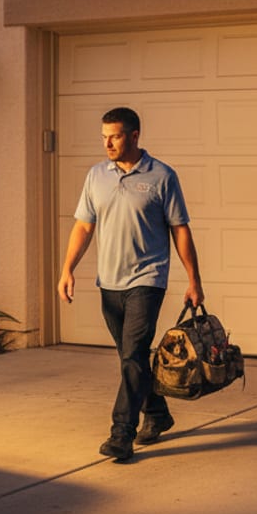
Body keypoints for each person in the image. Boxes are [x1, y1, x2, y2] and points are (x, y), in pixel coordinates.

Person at [57, 107, 203, 462]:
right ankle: (157, 413)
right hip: (109, 282)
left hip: (147, 279)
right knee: (130, 359)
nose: (107, 143)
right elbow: (83, 226)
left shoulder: (162, 176)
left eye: (115, 136)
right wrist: (67, 269)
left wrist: (194, 280)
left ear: (135, 136)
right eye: (104, 136)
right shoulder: (96, 176)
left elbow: (179, 229)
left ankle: (121, 433)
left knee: (134, 354)